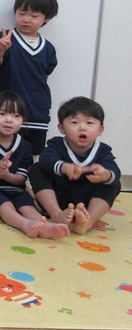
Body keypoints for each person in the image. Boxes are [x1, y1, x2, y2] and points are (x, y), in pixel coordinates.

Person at [0, 92, 69, 239]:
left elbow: (21, 178)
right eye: (2, 114)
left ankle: (44, 226)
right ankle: (25, 225)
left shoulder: (25, 145)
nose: (9, 120)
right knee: (5, 205)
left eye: (16, 116)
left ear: (23, 120)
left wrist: (7, 176)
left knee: (27, 205)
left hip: (15, 188)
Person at [28, 97, 121, 235]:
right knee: (37, 168)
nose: (82, 127)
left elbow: (114, 170)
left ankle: (88, 221)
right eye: (74, 122)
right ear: (61, 128)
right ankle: (56, 215)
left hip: (88, 201)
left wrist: (105, 174)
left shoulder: (103, 151)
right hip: (58, 196)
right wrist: (64, 167)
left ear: (100, 129)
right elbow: (46, 159)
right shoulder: (57, 144)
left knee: (113, 181)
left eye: (89, 123)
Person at [0, 0, 58, 155]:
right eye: (21, 13)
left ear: (46, 19)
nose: (26, 19)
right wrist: (1, 49)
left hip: (36, 111)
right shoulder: (5, 38)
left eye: (34, 16)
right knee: (0, 152)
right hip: (5, 111)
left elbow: (46, 72)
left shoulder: (48, 48)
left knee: (32, 154)